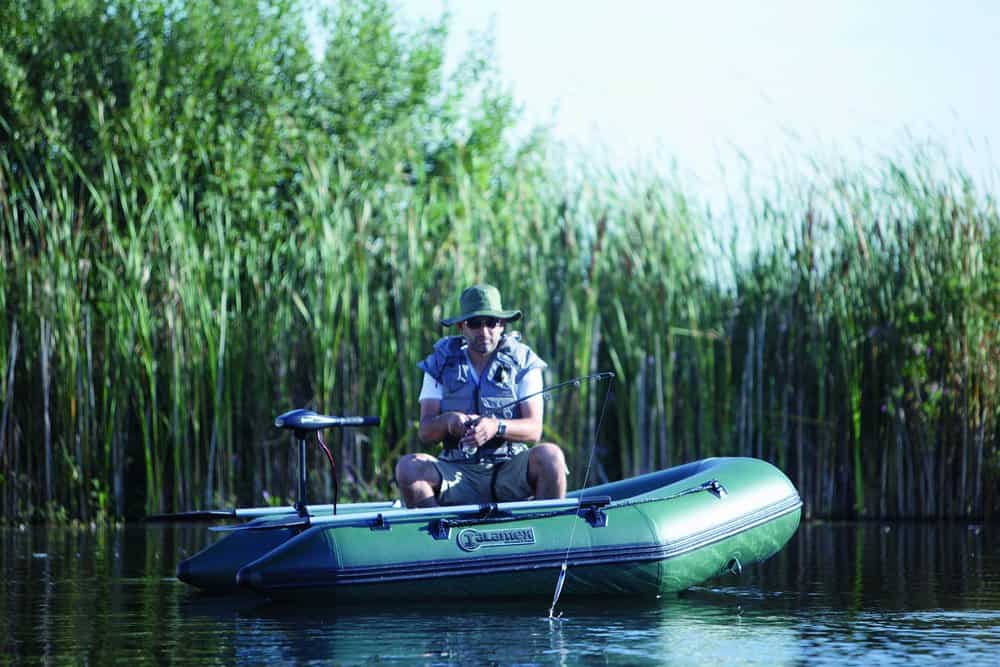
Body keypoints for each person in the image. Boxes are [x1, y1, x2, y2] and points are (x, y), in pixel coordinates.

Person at [395, 284, 568, 508]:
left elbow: (534, 430)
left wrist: (496, 427)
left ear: (502, 325)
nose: (484, 331)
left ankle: (546, 534)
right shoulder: (439, 363)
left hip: (510, 467)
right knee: (408, 467)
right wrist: (448, 422)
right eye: (475, 324)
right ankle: (438, 536)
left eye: (492, 323)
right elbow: (426, 432)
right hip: (457, 471)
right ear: (461, 327)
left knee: (551, 456)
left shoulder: (524, 362)